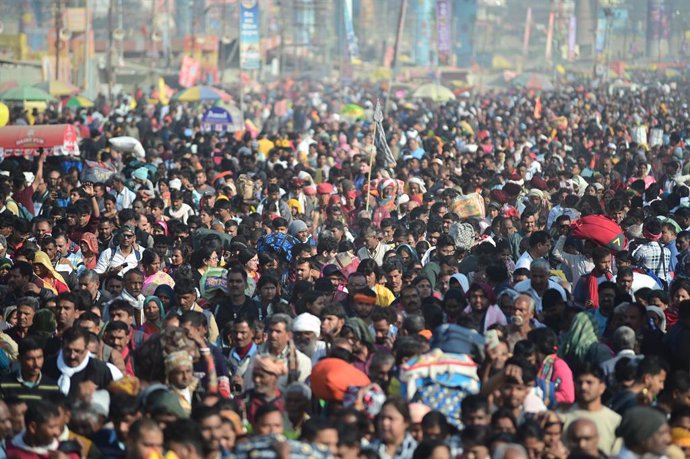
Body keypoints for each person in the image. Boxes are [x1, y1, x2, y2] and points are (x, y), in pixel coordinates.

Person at [560, 363, 622, 455]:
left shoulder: (614, 421)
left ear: (602, 387)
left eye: (589, 382)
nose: (583, 387)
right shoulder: (562, 416)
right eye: (579, 382)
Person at [42, 326, 114, 400]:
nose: (72, 356)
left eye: (77, 351)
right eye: (68, 350)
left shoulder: (100, 371)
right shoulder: (47, 365)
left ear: (86, 349)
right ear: (62, 346)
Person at [5, 399, 80, 459]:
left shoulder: (68, 453)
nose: (57, 433)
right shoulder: (8, 451)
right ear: (33, 427)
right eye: (52, 427)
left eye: (58, 426)